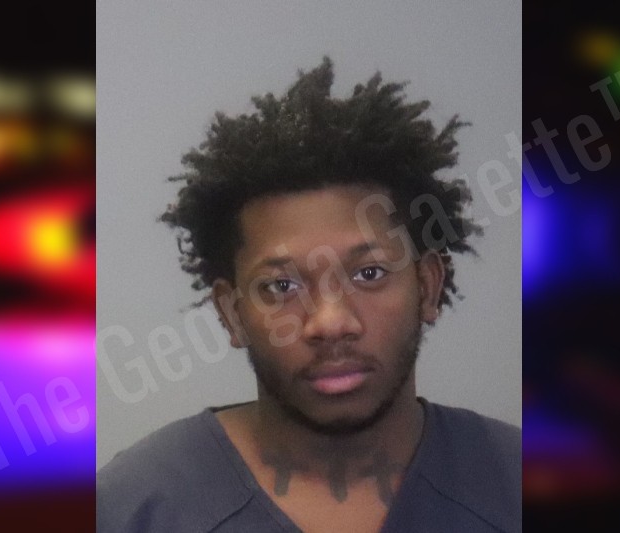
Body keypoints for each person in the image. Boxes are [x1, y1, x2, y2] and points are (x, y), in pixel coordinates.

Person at [97, 57, 520, 533]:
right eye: (282, 286)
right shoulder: (132, 508)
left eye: (370, 273)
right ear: (232, 314)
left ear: (428, 286)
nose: (331, 323)